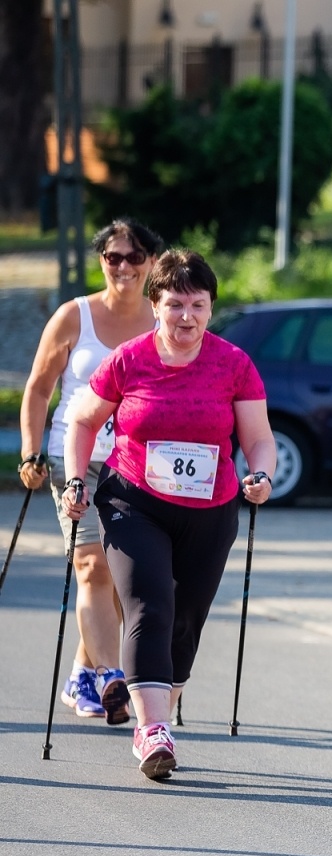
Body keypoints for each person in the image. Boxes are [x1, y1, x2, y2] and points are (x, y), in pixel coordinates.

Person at [61, 249, 276, 780]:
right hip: (133, 500)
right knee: (149, 604)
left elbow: (258, 439)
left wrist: (262, 476)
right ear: (155, 304)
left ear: (210, 308)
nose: (187, 316)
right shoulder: (130, 359)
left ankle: (162, 703)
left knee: (186, 618)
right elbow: (82, 421)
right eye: (175, 303)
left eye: (198, 305)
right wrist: (72, 480)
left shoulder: (233, 364)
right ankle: (151, 729)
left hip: (211, 508)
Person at [18, 219, 164, 725]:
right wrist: (31, 452)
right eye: (113, 257)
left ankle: (81, 671)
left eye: (135, 256)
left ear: (151, 262)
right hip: (72, 455)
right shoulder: (73, 316)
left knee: (123, 574)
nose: (124, 266)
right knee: (91, 565)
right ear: (101, 260)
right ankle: (108, 678)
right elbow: (39, 388)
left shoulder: (162, 318)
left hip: (137, 462)